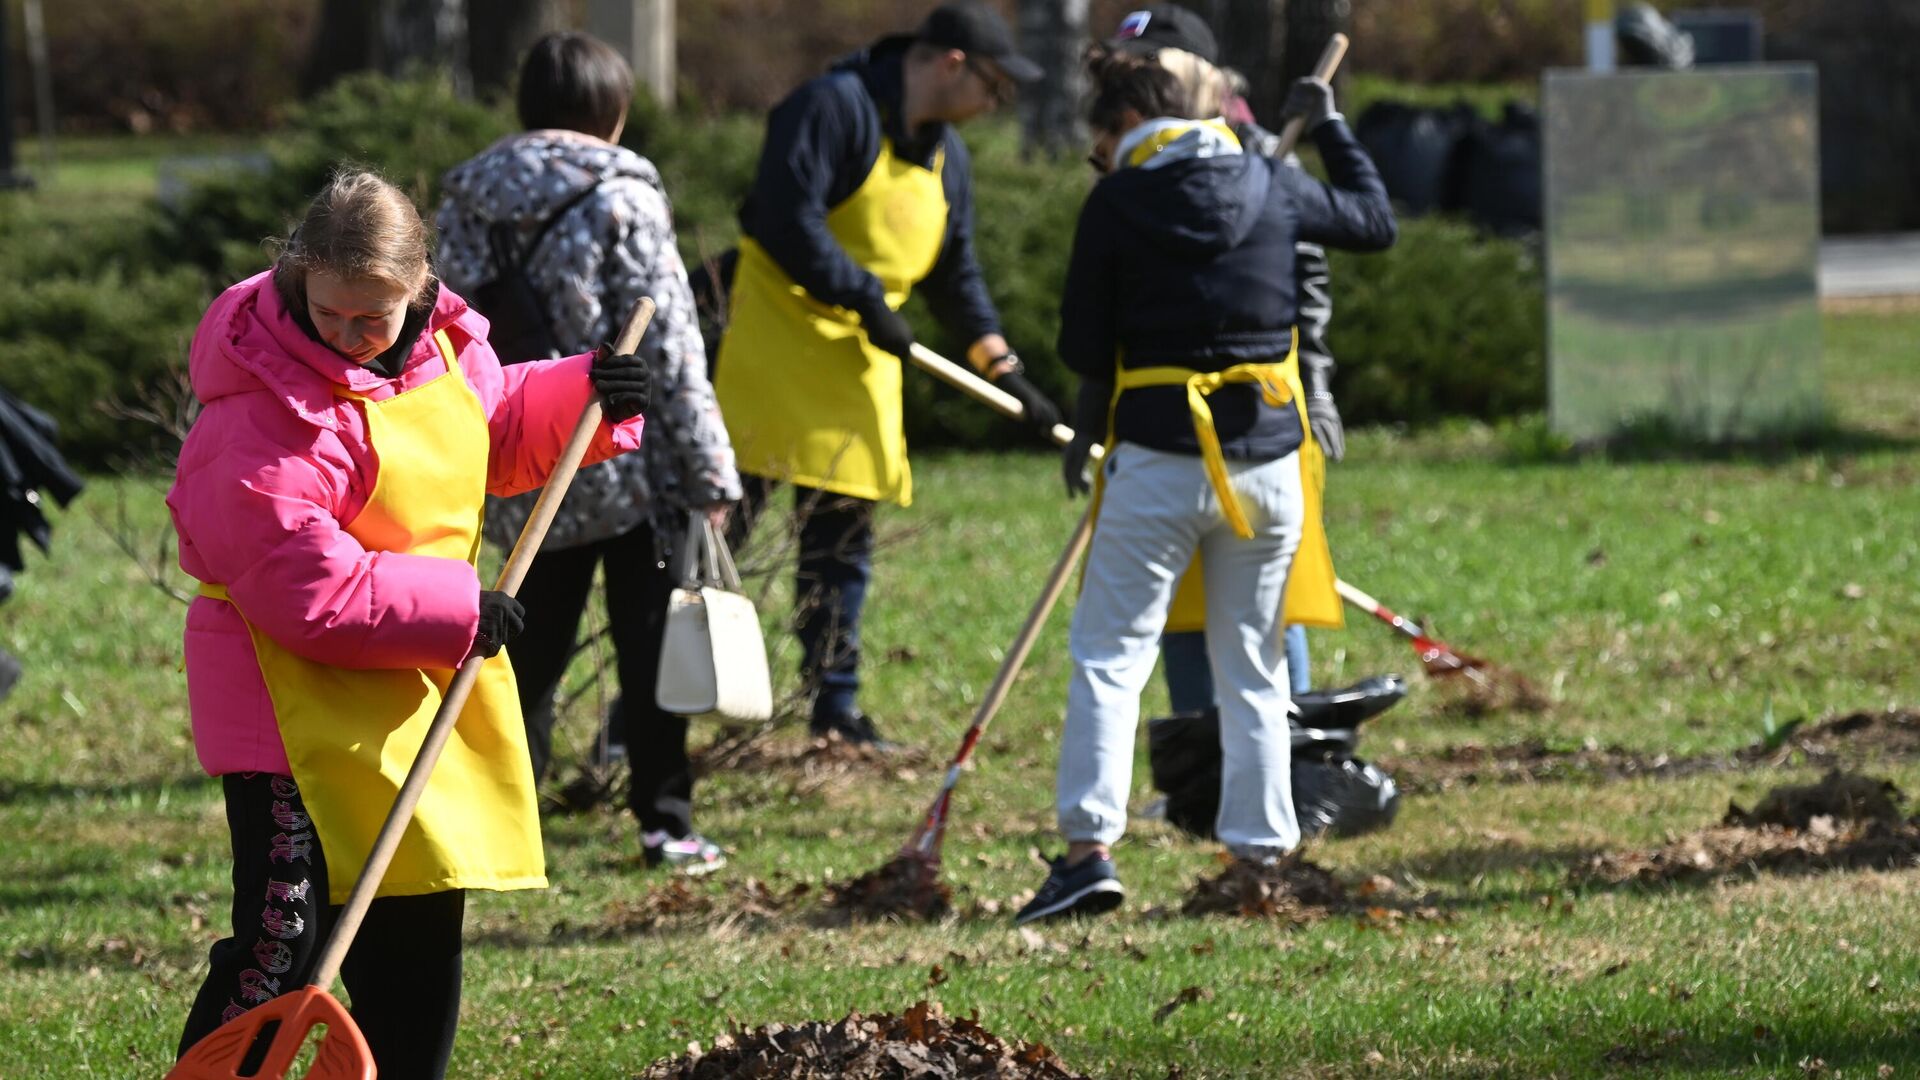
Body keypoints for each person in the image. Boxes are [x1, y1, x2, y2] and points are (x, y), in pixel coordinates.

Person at [169, 170, 650, 1076]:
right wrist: (459, 608)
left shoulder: (447, 349)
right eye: (329, 315)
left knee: (418, 938)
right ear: (296, 281)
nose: (348, 340)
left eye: (372, 322)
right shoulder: (257, 410)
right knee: (288, 942)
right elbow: (299, 585)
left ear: (419, 291)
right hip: (286, 713)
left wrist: (585, 391)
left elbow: (489, 433)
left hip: (406, 692)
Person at [1014, 50, 1395, 924]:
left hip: (1157, 460)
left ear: (1121, 131)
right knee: (1253, 664)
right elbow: (1375, 221)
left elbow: (1083, 341)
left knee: (1112, 657)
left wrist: (1092, 409)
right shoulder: (1271, 180)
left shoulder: (1116, 201)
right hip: (1267, 469)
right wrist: (1331, 127)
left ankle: (1087, 855)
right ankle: (1261, 857)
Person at [712, 0, 1059, 746]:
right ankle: (646, 710)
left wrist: (1006, 370)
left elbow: (954, 274)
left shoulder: (946, 156)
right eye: (994, 88)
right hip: (769, 349)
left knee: (841, 547)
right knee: (719, 538)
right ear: (952, 63)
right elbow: (783, 215)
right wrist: (864, 294)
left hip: (860, 362)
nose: (995, 106)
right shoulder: (832, 108)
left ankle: (835, 709)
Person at [437, 31, 741, 875]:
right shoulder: (624, 194)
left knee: (520, 648)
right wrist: (711, 468)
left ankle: (503, 820)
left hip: (511, 449)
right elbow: (671, 339)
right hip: (623, 453)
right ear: (613, 111)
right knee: (648, 646)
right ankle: (664, 822)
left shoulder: (465, 198)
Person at [1105, 5, 1409, 725]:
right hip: (1157, 408)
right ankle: (1201, 759)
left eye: (1147, 74)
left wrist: (1318, 385)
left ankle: (1286, 747)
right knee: (1181, 595)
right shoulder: (1126, 161)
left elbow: (1312, 277)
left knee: (1270, 596)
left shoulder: (1266, 155)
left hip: (1263, 403)